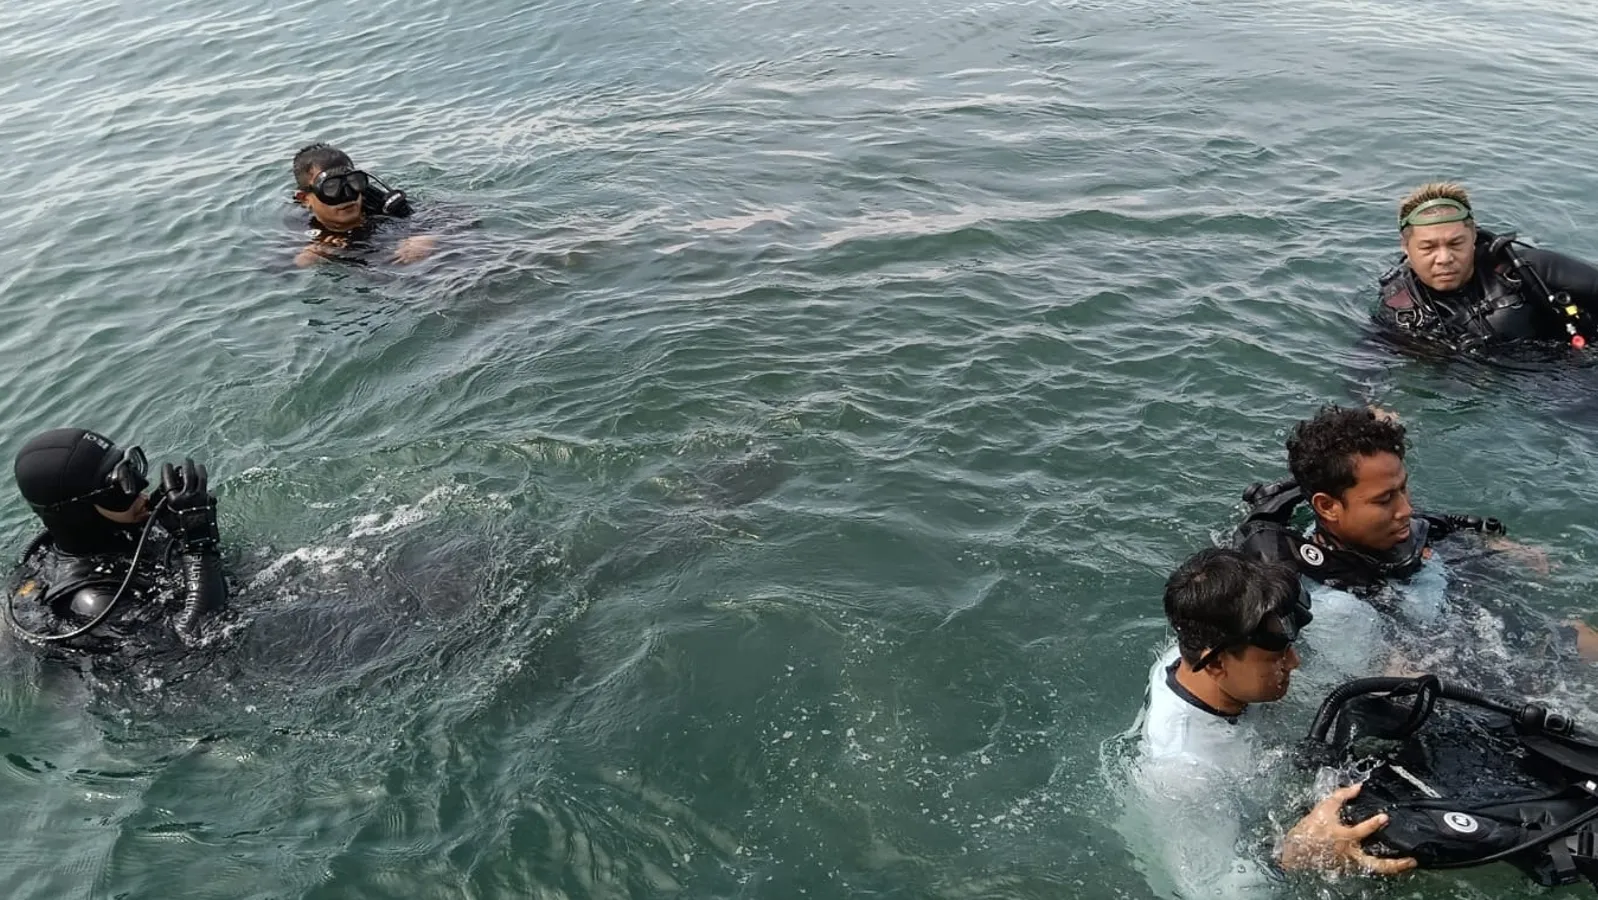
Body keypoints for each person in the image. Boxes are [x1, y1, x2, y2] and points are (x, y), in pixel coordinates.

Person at [1233, 405, 1598, 680]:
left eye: (1403, 488)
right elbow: (1388, 679)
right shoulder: (1331, 605)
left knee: (1580, 635)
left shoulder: (1396, 530)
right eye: (1384, 499)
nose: (1406, 510)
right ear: (1327, 507)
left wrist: (1493, 545)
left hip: (1458, 615)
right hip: (1453, 676)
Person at [1131, 547, 1416, 897]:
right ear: (1216, 664)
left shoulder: (1192, 648)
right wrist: (1293, 855)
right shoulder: (1185, 776)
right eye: (1277, 657)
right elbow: (1216, 890)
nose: (1294, 662)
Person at [4, 428, 226, 652]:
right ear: (78, 513)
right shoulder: (92, 603)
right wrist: (198, 544)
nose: (142, 486)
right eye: (120, 485)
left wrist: (178, 524)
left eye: (131, 468)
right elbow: (198, 643)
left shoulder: (121, 529)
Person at [1373, 181, 1598, 349]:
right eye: (1428, 247)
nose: (1444, 258)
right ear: (1406, 247)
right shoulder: (1399, 307)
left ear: (1473, 236)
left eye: (1455, 243)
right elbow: (1366, 368)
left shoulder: (1526, 269)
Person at [291, 142, 436, 267]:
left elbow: (448, 218)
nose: (347, 195)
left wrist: (427, 237)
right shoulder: (297, 228)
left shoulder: (385, 208)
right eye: (331, 188)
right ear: (305, 199)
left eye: (353, 182)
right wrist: (306, 258)